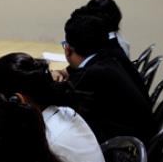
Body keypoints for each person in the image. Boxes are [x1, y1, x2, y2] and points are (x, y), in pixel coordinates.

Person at [63, 13, 154, 145]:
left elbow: (65, 104)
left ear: (68, 49)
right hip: (139, 139)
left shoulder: (93, 74)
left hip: (123, 149)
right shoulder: (108, 59)